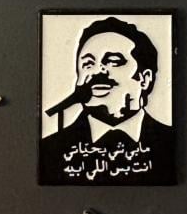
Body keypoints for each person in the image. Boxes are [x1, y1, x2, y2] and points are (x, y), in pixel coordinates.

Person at [39, 16, 175, 184]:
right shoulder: (51, 150)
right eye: (88, 64)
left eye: (113, 61)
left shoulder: (170, 144)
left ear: (144, 79)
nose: (97, 71)